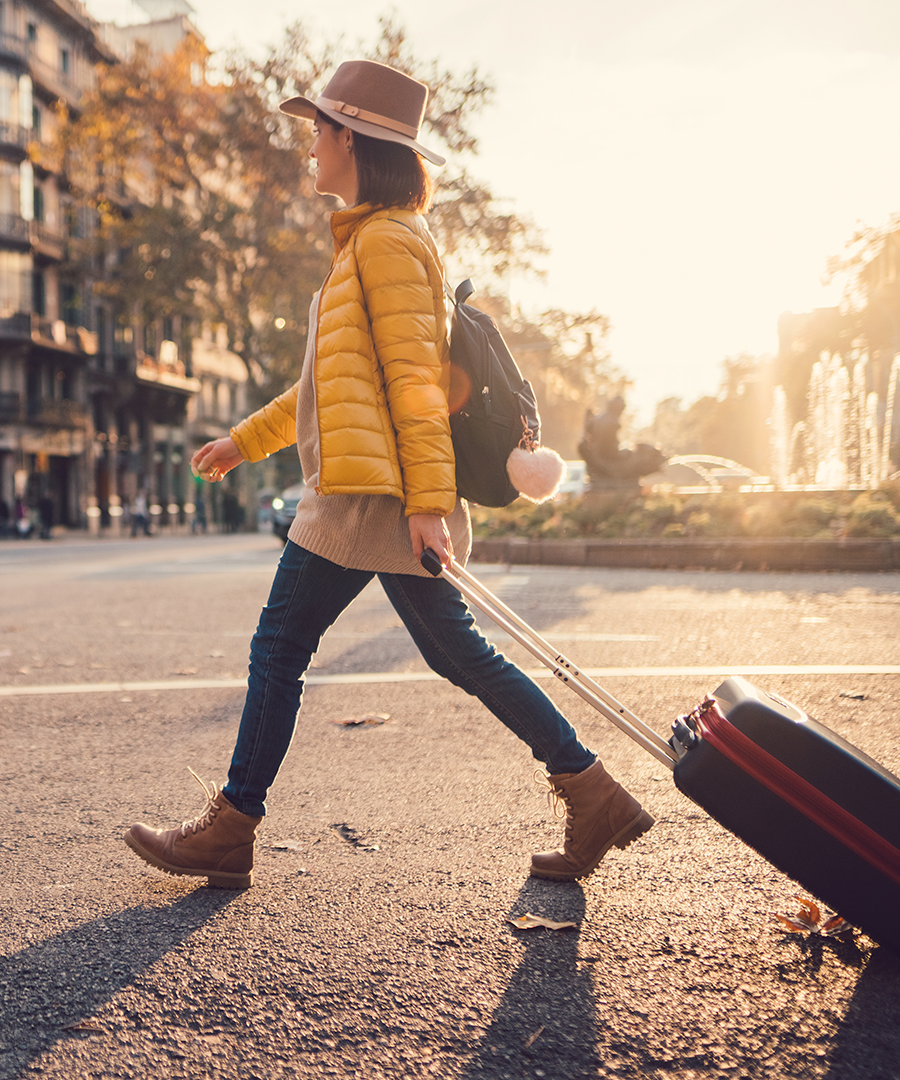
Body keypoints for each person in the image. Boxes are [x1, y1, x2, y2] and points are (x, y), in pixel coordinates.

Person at [123, 60, 652, 889]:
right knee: (456, 655)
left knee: (281, 647)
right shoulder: (369, 241)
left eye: (318, 130)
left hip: (370, 498)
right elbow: (327, 384)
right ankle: (593, 793)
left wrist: (428, 504)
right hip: (374, 492)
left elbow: (416, 384)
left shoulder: (389, 243)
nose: (309, 145)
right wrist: (244, 442)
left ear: (353, 141)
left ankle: (232, 828)